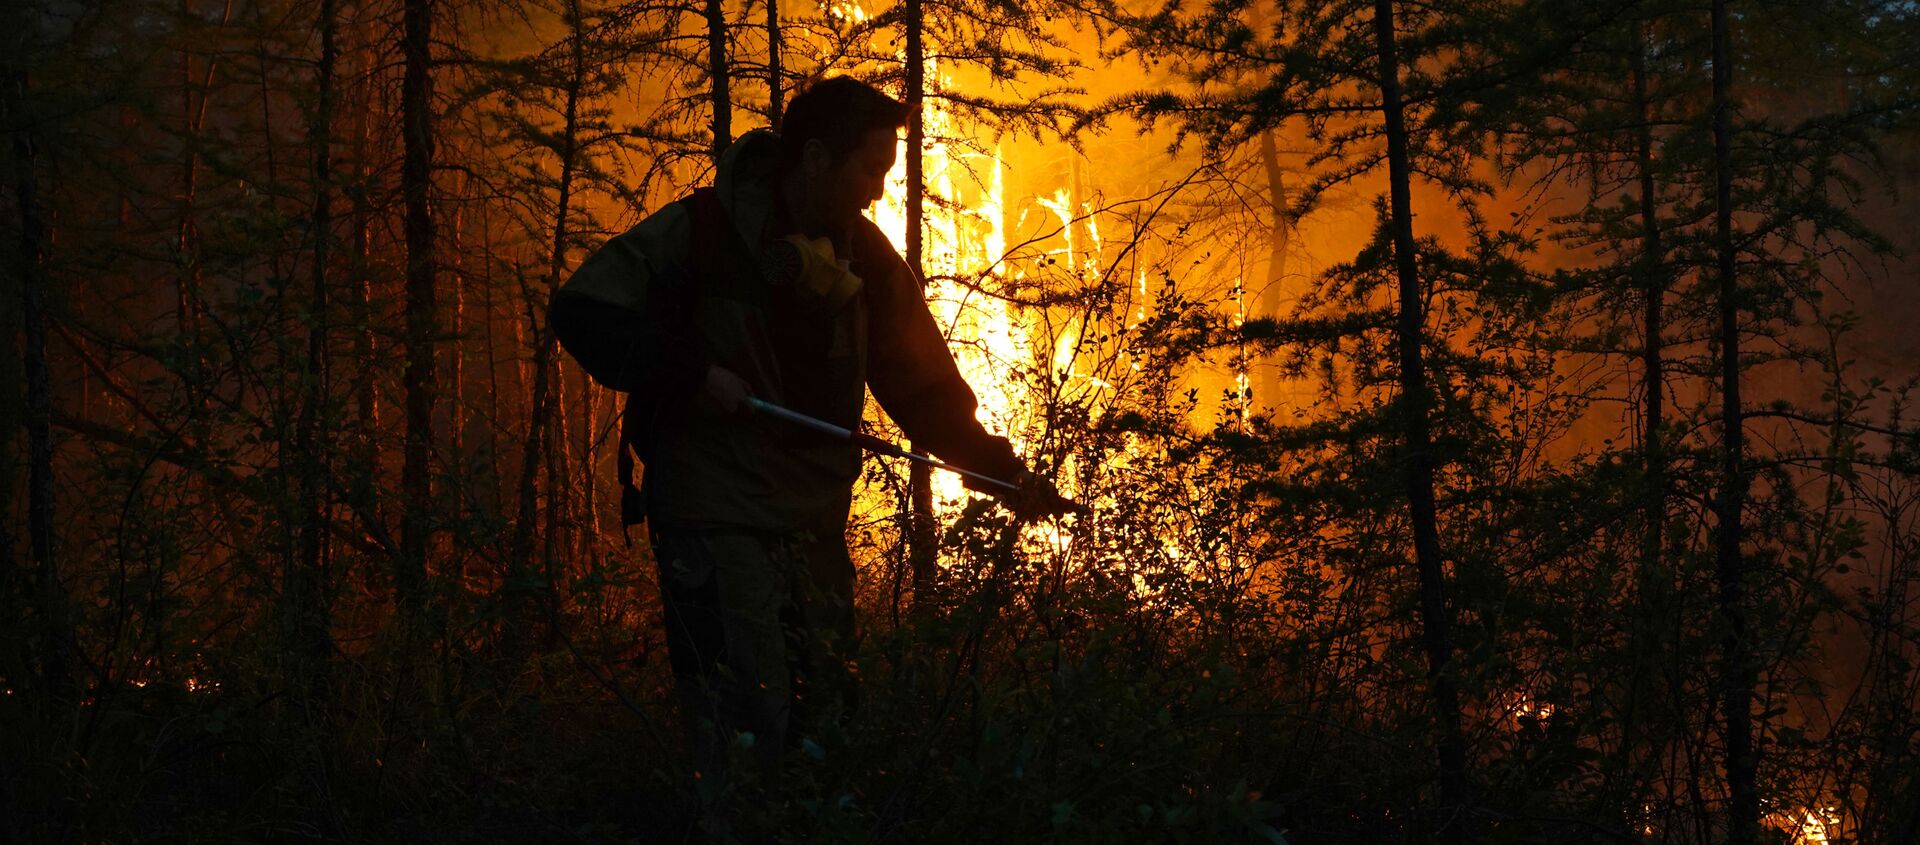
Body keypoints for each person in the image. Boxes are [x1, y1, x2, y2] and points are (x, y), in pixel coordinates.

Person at [549, 76, 1074, 829]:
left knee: (830, 716)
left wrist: (1002, 472)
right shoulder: (699, 233)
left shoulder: (865, 260)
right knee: (749, 719)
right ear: (819, 158)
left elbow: (923, 391)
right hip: (715, 514)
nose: (876, 194)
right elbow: (582, 308)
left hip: (810, 525)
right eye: (869, 173)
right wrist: (691, 374)